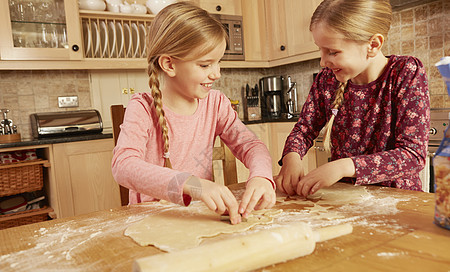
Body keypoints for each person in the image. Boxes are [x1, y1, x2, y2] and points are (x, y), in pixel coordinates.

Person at [111, 1, 275, 225]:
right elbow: (123, 166)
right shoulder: (142, 107)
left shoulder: (216, 104)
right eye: (205, 65)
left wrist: (261, 176)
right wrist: (193, 185)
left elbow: (251, 146)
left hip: (201, 217)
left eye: (218, 63)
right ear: (169, 64)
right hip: (152, 220)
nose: (216, 74)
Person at [276, 0, 430, 197]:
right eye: (320, 50)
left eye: (332, 52)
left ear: (373, 45)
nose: (323, 61)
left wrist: (343, 167)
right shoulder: (327, 80)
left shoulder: (405, 72)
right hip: (345, 197)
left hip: (399, 200)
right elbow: (304, 129)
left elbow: (412, 156)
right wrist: (292, 157)